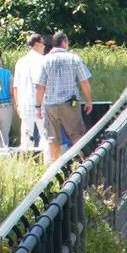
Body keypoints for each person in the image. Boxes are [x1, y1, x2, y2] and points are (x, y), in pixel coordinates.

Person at [35, 31, 93, 162]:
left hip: (50, 106)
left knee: (52, 139)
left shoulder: (45, 60)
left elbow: (39, 86)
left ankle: (54, 166)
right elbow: (84, 81)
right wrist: (89, 100)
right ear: (64, 42)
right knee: (77, 135)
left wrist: (38, 107)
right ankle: (85, 162)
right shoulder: (74, 58)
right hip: (69, 104)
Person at [13, 33, 48, 153]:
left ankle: (26, 158)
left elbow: (16, 86)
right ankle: (46, 159)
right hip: (41, 102)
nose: (44, 46)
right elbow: (41, 84)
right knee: (45, 134)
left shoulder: (20, 62)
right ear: (37, 44)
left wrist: (17, 104)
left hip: (24, 103)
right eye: (43, 43)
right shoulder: (43, 60)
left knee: (26, 136)